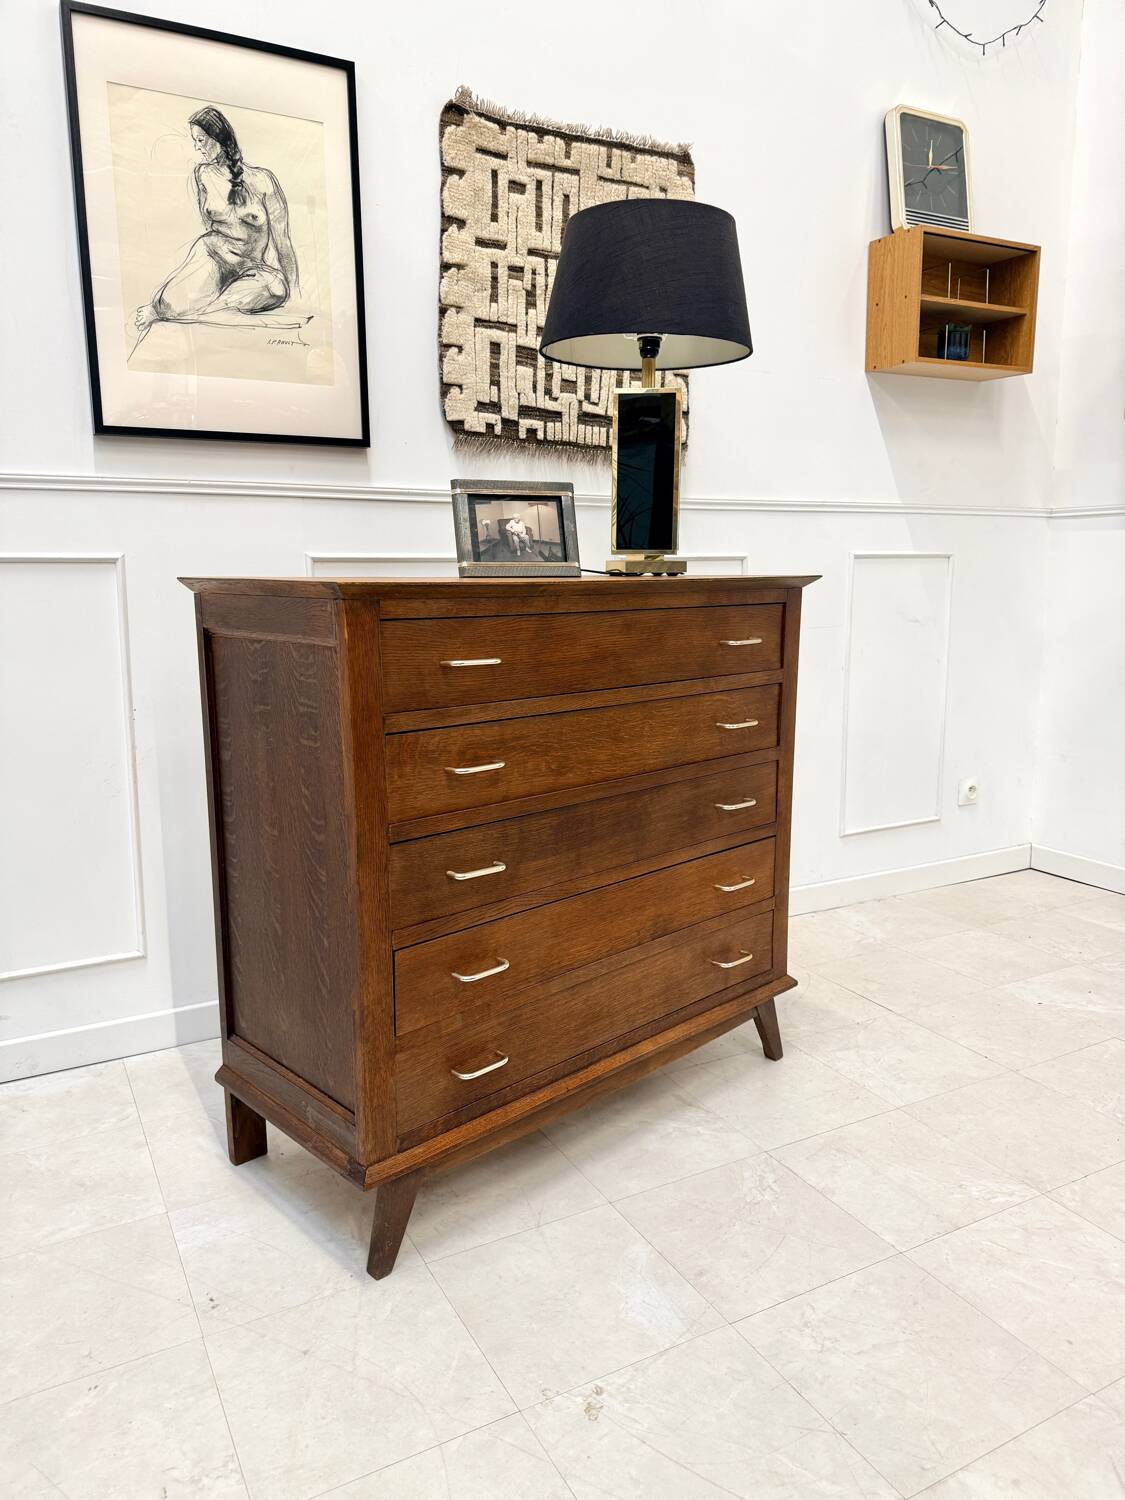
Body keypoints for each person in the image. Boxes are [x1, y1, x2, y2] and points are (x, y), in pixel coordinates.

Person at [131, 106, 301, 351]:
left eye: (201, 140)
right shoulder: (202, 175)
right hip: (214, 255)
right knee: (171, 305)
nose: (197, 147)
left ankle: (203, 309)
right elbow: (210, 226)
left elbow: (283, 242)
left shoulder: (263, 180)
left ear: (219, 139)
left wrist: (294, 289)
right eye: (195, 141)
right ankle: (165, 309)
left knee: (277, 289)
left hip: (253, 267)